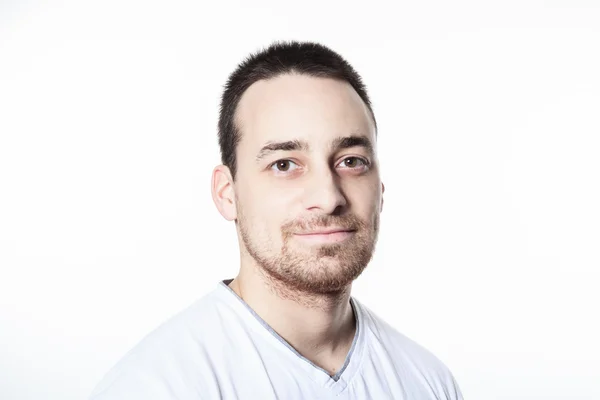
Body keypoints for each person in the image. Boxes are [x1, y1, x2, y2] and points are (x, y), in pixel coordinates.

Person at [89, 40, 464, 400]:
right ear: (227, 193)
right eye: (284, 164)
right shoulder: (156, 387)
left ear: (380, 187)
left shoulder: (428, 382)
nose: (328, 197)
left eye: (351, 161)